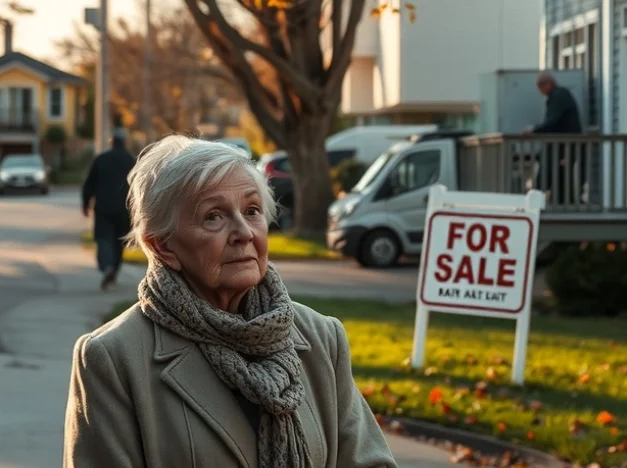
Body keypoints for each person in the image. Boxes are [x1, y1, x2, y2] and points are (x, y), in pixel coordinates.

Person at [63, 136, 397, 468]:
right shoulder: (113, 359)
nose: (244, 232)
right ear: (163, 246)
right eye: (214, 217)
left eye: (252, 211)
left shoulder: (322, 338)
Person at [81, 128, 136, 291]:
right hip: (125, 209)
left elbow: (89, 184)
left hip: (103, 207)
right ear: (125, 142)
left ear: (112, 142)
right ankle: (114, 269)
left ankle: (107, 267)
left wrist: (85, 204)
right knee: (119, 242)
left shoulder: (101, 159)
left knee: (103, 238)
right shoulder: (131, 161)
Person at [524, 72, 584, 204]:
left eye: (541, 87)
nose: (540, 91)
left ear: (548, 84)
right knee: (560, 176)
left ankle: (538, 203)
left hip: (562, 146)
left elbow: (552, 122)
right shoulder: (562, 95)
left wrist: (534, 130)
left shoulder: (557, 97)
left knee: (548, 174)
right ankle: (563, 202)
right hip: (564, 145)